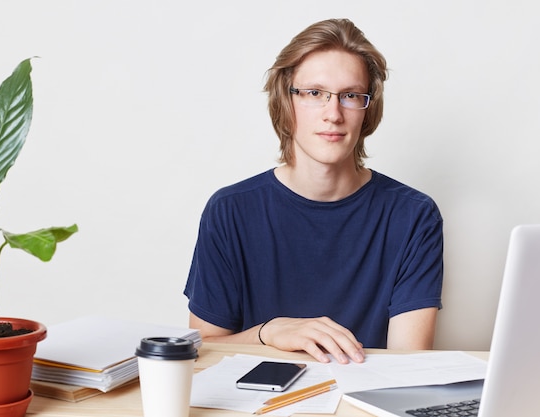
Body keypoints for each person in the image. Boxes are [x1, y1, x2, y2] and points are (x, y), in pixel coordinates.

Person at [183, 18, 443, 364]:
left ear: (367, 110)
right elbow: (203, 351)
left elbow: (409, 364)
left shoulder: (414, 216)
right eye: (314, 94)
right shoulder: (229, 211)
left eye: (350, 96)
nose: (333, 113)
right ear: (285, 101)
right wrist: (270, 332)